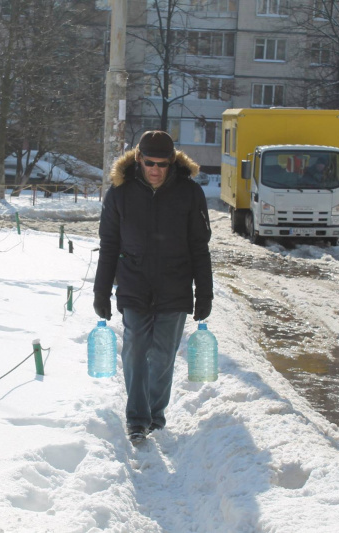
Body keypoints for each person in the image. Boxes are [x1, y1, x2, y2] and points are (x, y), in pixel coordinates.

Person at [93, 130, 213, 443]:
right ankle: (136, 420)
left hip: (175, 287)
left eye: (162, 164)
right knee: (134, 351)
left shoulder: (189, 194)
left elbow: (200, 247)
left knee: (162, 356)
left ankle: (155, 417)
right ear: (139, 159)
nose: (156, 169)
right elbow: (108, 245)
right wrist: (101, 292)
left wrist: (205, 292)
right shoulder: (120, 193)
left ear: (172, 162)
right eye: (149, 163)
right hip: (134, 285)